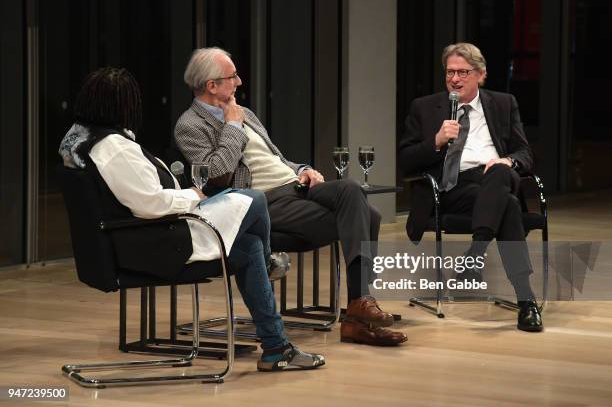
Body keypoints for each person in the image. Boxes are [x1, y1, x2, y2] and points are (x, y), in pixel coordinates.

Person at [59, 66, 326, 371]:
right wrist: (193, 196)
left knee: (249, 244)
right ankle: (268, 265)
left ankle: (276, 348)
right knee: (254, 199)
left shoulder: (81, 141)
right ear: (121, 106)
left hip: (145, 237)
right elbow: (151, 204)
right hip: (155, 243)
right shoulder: (113, 149)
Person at [174, 47, 407, 346]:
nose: (240, 81)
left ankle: (359, 307)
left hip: (295, 188)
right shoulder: (190, 125)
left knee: (351, 190)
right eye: (232, 76)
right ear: (212, 85)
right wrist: (232, 125)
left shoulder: (247, 114)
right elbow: (217, 173)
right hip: (260, 202)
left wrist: (304, 169)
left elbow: (274, 158)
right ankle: (358, 317)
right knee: (368, 216)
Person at [398, 42, 543, 332]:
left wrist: (507, 161)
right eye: (450, 72)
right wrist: (436, 141)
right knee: (509, 205)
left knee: (501, 175)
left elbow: (524, 154)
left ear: (481, 74)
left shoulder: (504, 104)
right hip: (450, 189)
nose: (455, 79)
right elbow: (405, 161)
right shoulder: (425, 108)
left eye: (463, 72)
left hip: (493, 179)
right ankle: (525, 300)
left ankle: (477, 254)